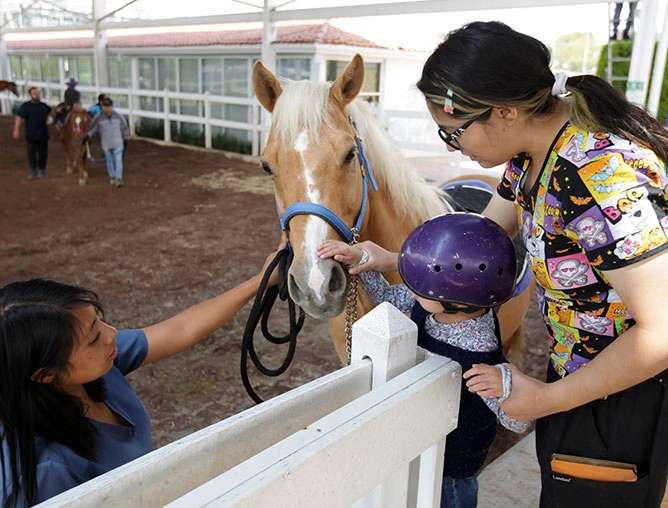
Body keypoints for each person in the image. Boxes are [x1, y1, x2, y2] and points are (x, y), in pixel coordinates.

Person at [357, 20, 668, 508]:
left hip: (631, 390)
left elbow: (662, 332)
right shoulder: (529, 155)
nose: (451, 147)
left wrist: (545, 401)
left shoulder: (598, 177)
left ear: (504, 112)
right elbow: (476, 245)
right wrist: (397, 260)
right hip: (582, 374)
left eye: (453, 132)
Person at [0, 239, 284, 507]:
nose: (112, 334)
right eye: (93, 337)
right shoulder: (46, 472)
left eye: (99, 322)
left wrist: (261, 280)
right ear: (45, 374)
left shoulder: (95, 366)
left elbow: (181, 329)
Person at [318, 213, 531, 508]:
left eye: (420, 284)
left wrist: (505, 386)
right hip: (420, 445)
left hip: (452, 472)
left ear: (455, 297)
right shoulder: (438, 305)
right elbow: (386, 295)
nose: (412, 286)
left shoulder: (480, 355)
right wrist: (362, 261)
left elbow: (518, 421)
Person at [85, 98, 130, 187]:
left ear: (112, 106)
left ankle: (118, 178)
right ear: (102, 107)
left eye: (108, 106)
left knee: (118, 160)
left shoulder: (118, 116)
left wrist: (126, 138)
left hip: (118, 142)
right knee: (109, 161)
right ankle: (112, 176)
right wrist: (88, 136)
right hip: (106, 143)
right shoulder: (98, 117)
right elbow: (93, 128)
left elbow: (124, 127)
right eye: (105, 107)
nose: (107, 108)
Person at [12, 87, 51, 180]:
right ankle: (33, 170)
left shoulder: (44, 106)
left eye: (38, 93)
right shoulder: (25, 106)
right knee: (31, 153)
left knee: (43, 154)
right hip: (30, 134)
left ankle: (42, 170)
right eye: (35, 93)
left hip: (43, 134)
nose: (37, 95)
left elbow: (51, 114)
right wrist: (16, 129)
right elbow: (19, 118)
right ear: (31, 95)